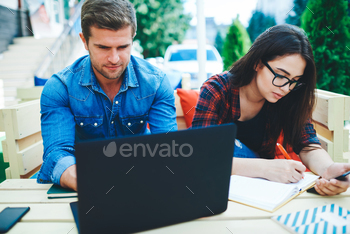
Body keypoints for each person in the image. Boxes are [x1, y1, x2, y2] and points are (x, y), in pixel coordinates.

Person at [192, 24, 350, 196]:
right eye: (281, 75)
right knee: (227, 143)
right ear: (257, 63)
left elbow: (307, 144)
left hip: (261, 191)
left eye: (294, 80)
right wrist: (265, 167)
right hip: (217, 187)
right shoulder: (217, 90)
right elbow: (201, 156)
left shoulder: (290, 96)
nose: (285, 87)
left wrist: (328, 169)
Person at [37, 0, 177, 191]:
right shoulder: (60, 88)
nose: (114, 59)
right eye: (103, 47)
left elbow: (167, 148)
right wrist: (89, 183)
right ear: (84, 41)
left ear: (132, 39)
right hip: (82, 187)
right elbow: (57, 154)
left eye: (122, 47)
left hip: (139, 183)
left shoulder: (156, 82)